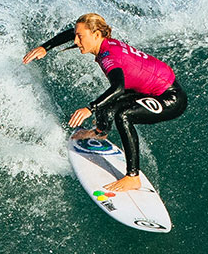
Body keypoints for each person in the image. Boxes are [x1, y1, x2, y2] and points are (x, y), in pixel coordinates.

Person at [22, 13, 187, 192]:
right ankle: (99, 133)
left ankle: (133, 177)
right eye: (77, 36)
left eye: (80, 37)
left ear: (96, 35)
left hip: (170, 97)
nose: (76, 41)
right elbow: (74, 32)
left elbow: (118, 89)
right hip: (149, 89)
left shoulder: (109, 56)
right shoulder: (103, 42)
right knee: (106, 107)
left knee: (123, 115)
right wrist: (46, 47)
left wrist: (89, 108)